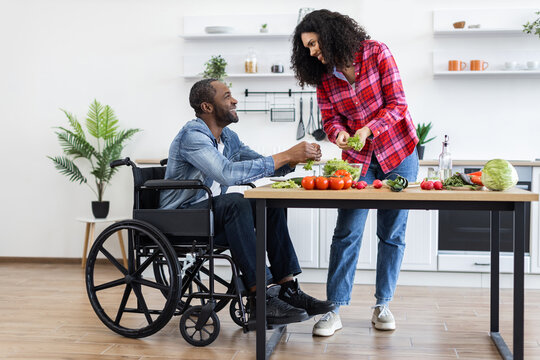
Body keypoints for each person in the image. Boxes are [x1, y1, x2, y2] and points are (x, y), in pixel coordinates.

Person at [160, 78, 335, 325]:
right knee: (236, 201)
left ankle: (287, 289)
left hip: (209, 214)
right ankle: (259, 296)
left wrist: (294, 159)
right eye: (227, 96)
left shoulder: (228, 138)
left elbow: (261, 164)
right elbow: (227, 173)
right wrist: (286, 155)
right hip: (181, 216)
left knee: (269, 201)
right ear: (207, 107)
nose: (235, 100)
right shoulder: (193, 136)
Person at [291, 10, 419, 335]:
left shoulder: (376, 52)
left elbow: (398, 103)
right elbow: (330, 119)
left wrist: (369, 130)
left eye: (314, 44)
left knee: (392, 234)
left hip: (397, 153)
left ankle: (382, 305)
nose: (311, 52)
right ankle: (333, 309)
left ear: (331, 35)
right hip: (357, 161)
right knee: (347, 231)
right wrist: (339, 135)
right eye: (306, 48)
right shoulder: (323, 76)